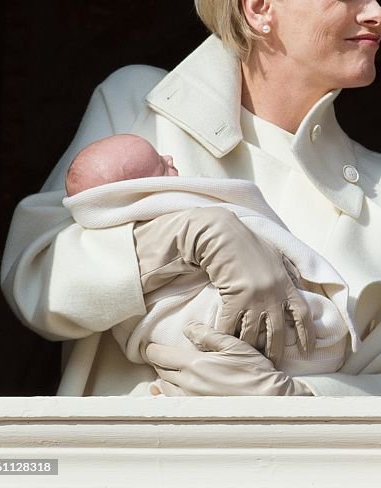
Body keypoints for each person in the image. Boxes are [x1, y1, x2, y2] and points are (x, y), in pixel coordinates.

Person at [2, 0, 381, 396]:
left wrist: (293, 402)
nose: (376, 13)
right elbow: (38, 284)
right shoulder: (142, 105)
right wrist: (186, 235)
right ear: (258, 7)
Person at [63, 133, 362, 394]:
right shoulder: (131, 95)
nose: (169, 157)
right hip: (171, 369)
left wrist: (302, 398)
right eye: (160, 165)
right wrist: (183, 234)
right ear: (141, 191)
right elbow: (53, 271)